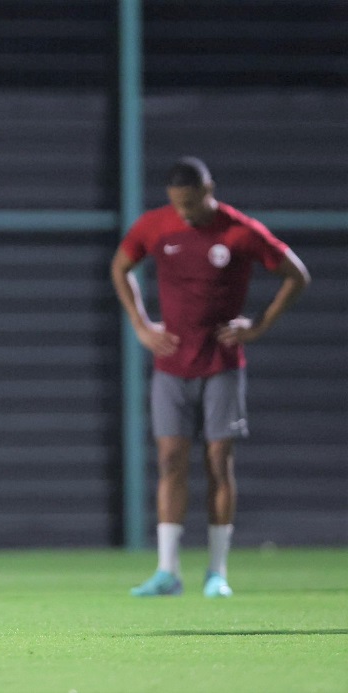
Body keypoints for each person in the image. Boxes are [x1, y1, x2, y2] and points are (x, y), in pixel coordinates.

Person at [111, 156, 309, 598]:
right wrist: (142, 325)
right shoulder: (155, 226)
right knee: (170, 463)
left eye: (191, 203)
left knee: (219, 463)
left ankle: (217, 571)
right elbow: (120, 267)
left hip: (221, 365)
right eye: (177, 204)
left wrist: (257, 326)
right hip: (171, 366)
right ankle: (167, 571)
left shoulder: (240, 230)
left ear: (209, 190)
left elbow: (297, 275)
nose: (185, 212)